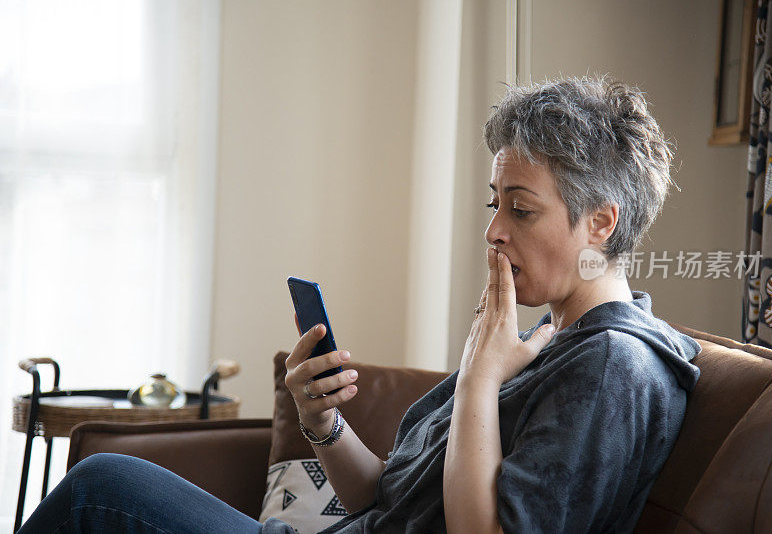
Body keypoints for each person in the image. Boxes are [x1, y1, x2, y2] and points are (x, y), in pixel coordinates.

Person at [19, 75, 700, 533]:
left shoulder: (613, 366)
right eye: (496, 206)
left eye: (521, 210)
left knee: (100, 488)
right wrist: (323, 426)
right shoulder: (546, 340)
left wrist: (481, 378)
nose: (493, 232)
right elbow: (385, 497)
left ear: (602, 224)